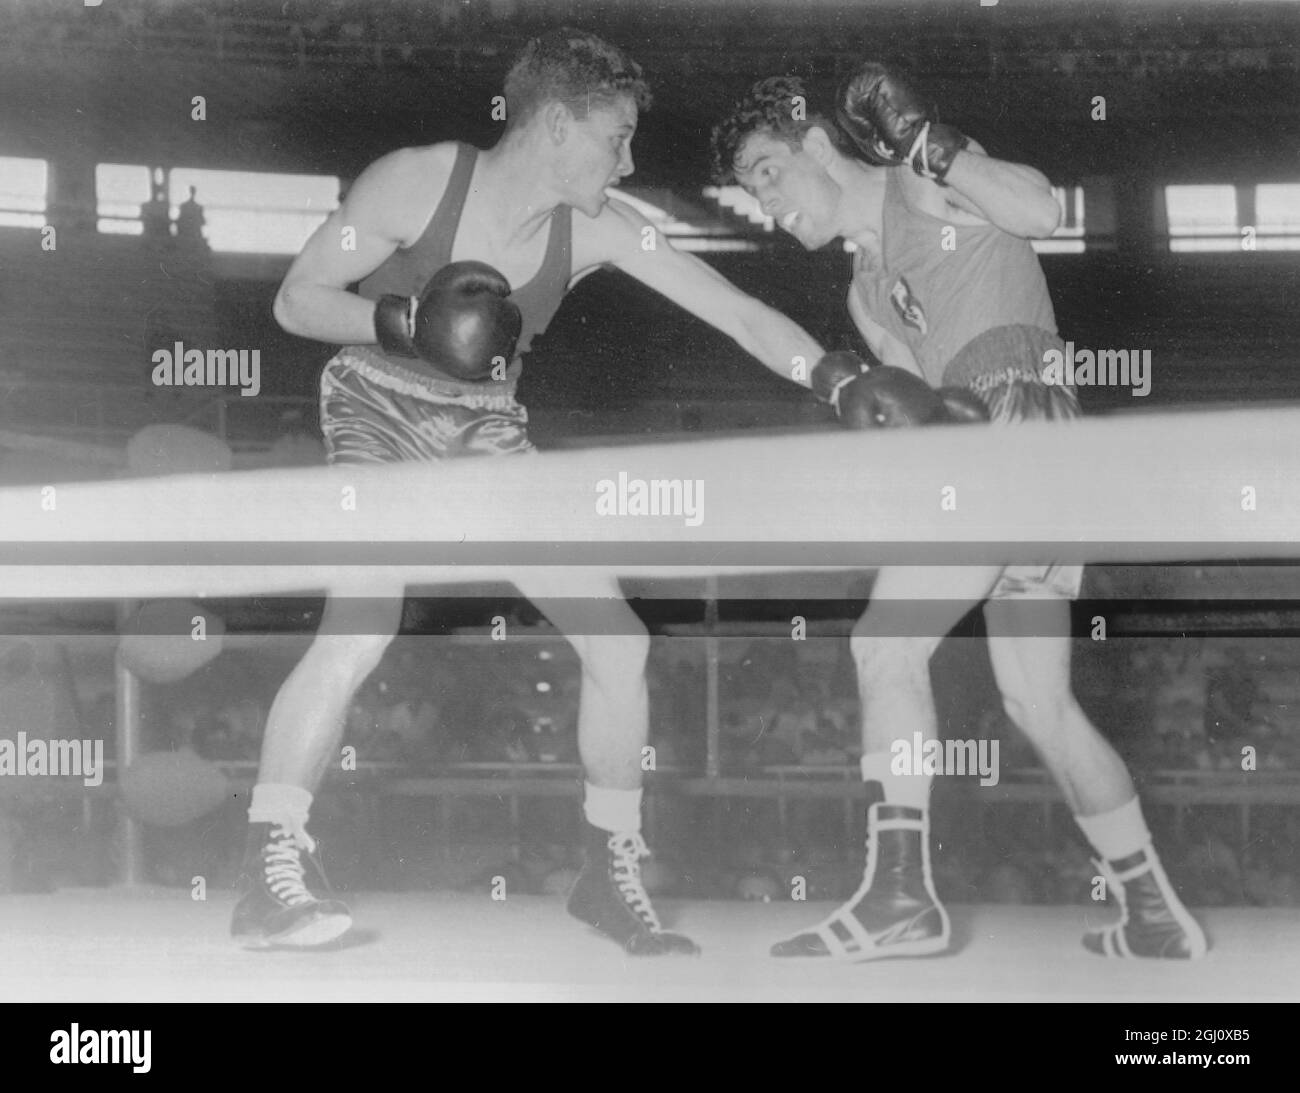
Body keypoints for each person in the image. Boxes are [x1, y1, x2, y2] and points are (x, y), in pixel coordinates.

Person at [235, 29, 832, 955]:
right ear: (557, 125)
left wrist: (836, 376)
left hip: (488, 430)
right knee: (359, 623)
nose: (629, 158)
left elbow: (738, 312)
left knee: (618, 641)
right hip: (377, 407)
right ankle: (269, 868)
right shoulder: (415, 180)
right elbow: (297, 299)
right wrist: (406, 323)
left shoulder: (597, 225)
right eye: (618, 136)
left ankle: (607, 867)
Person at [710, 68, 1207, 961]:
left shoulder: (916, 172)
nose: (764, 203)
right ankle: (1157, 912)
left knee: (884, 643)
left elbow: (1042, 210)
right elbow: (926, 423)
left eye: (767, 172)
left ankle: (901, 897)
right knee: (1037, 701)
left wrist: (927, 137)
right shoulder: (865, 291)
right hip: (1009, 449)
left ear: (816, 140)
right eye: (750, 190)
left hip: (1019, 411)